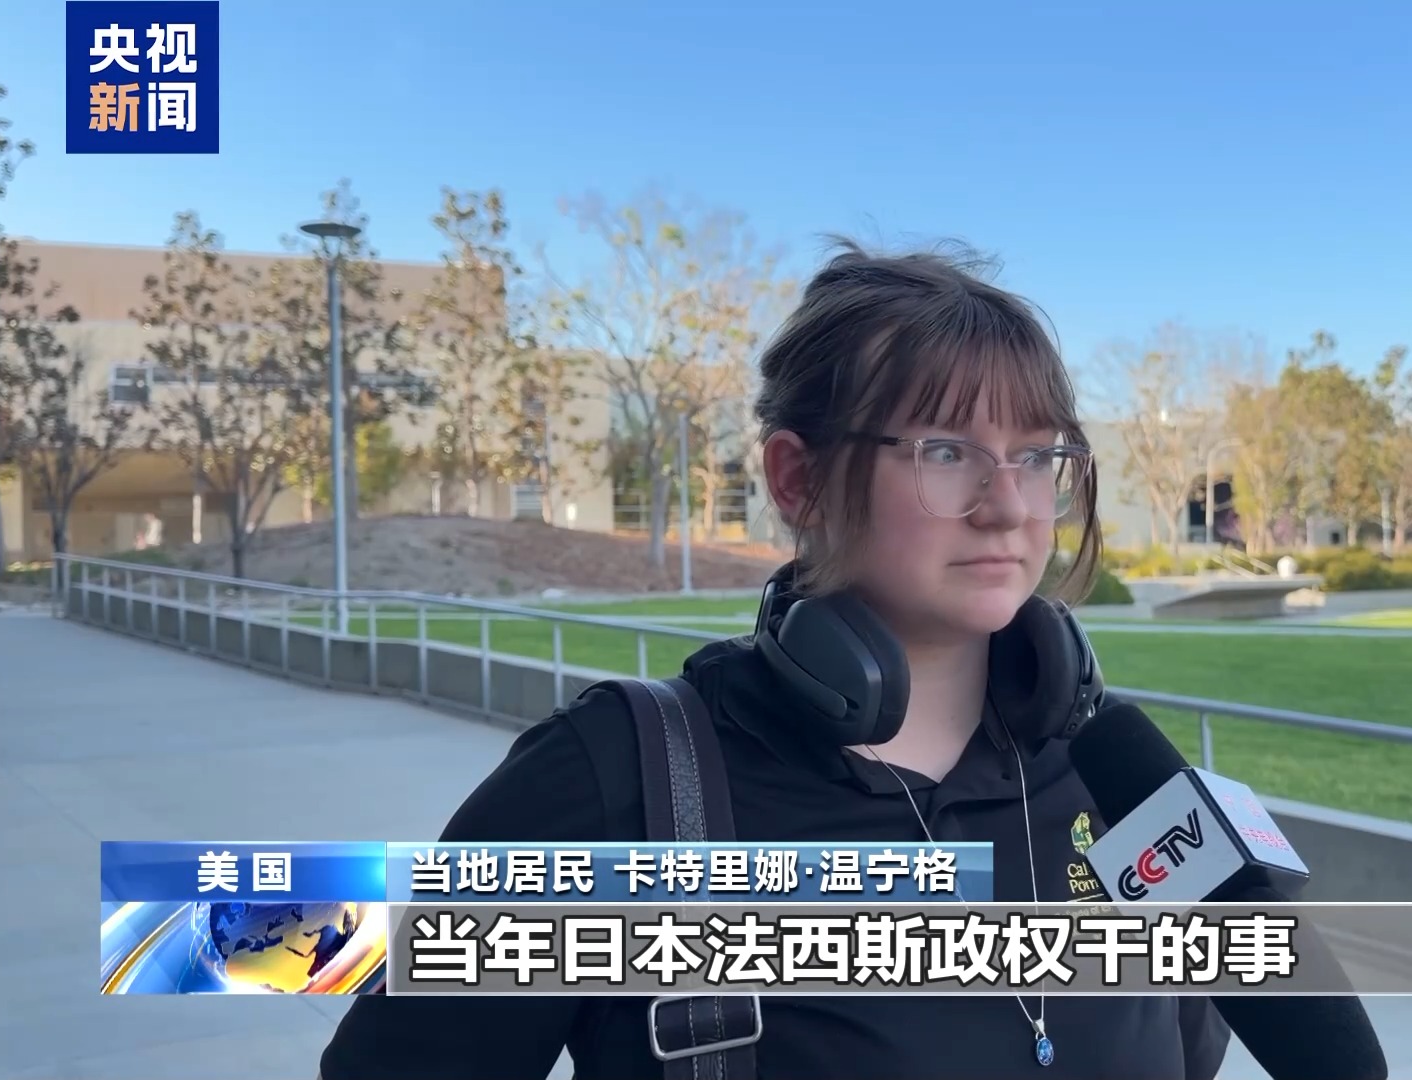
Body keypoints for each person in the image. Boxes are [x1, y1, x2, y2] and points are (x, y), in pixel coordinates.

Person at [321, 241, 1272, 1079]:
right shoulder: (611, 782)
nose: (1010, 506)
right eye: (947, 453)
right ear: (797, 479)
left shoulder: (1123, 786)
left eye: (1036, 456)